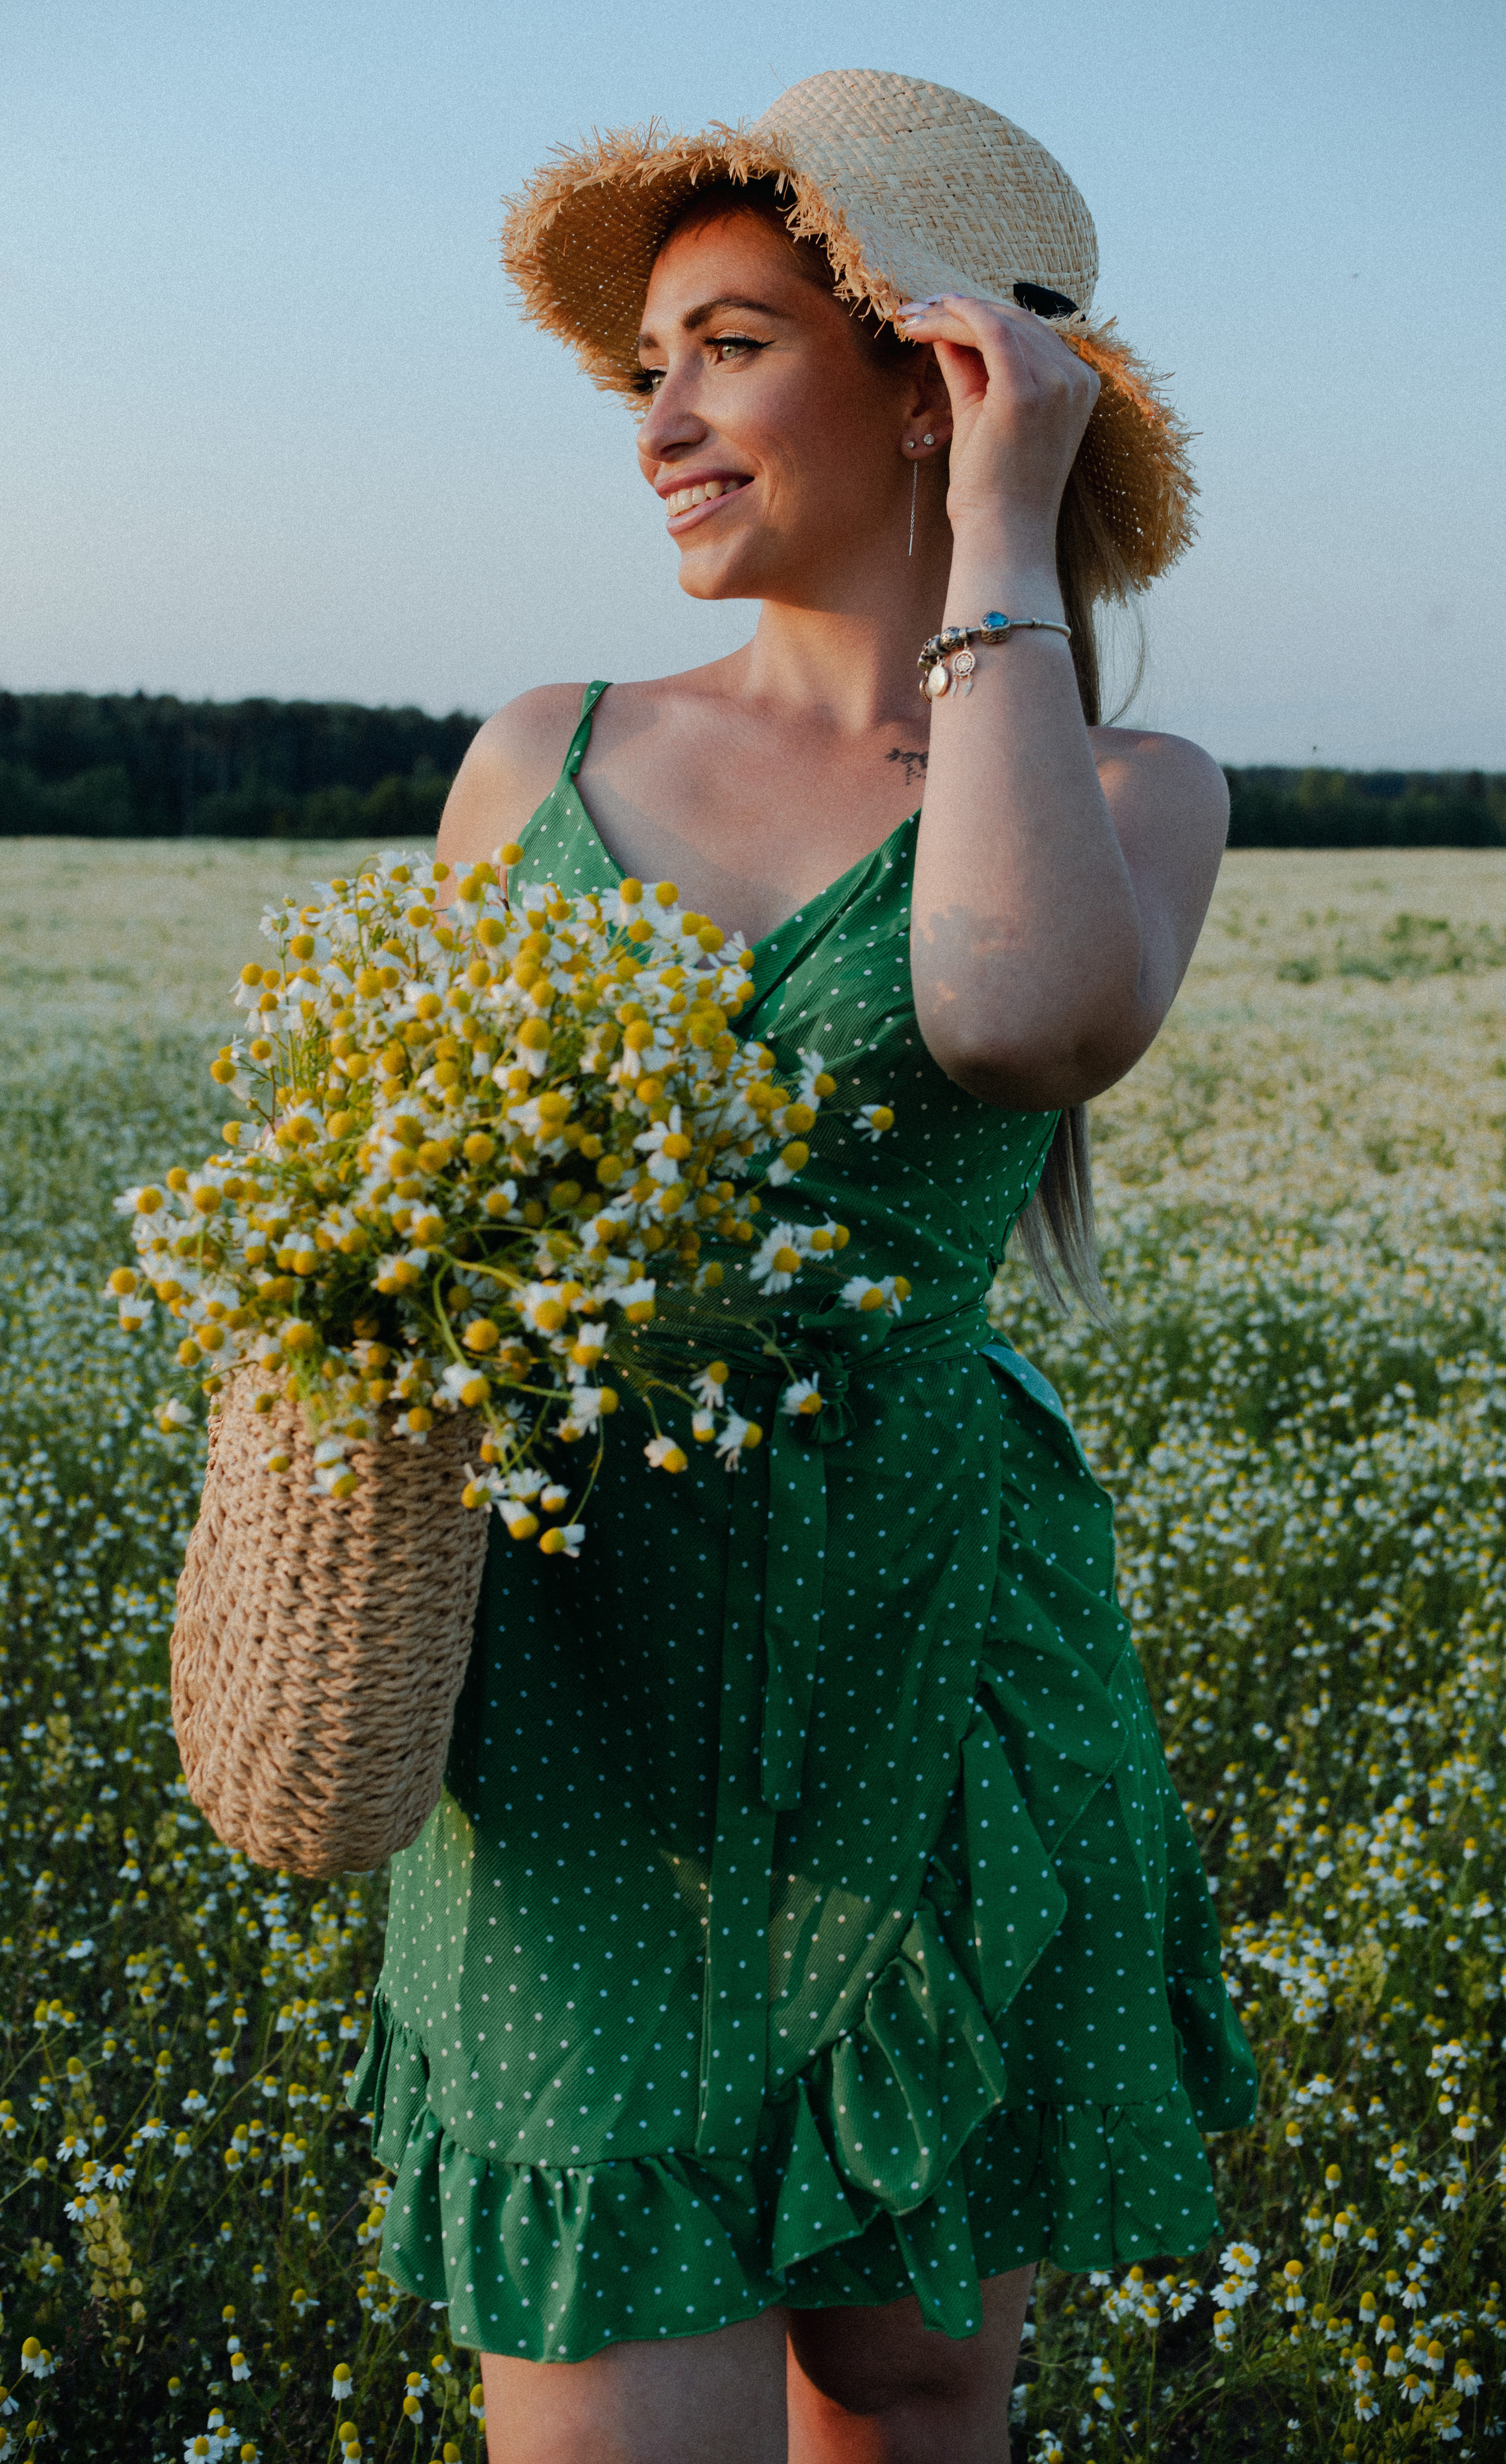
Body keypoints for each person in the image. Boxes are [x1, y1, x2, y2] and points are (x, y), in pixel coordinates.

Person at [348, 69, 1256, 2464]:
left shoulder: (1131, 795)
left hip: (936, 1658)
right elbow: (402, 1211)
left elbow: (1012, 1012)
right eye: (644, 363)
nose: (654, 420)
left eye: (726, 346)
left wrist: (1007, 544)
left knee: (919, 2388)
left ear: (930, 374)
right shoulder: (540, 755)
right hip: (576, 1688)